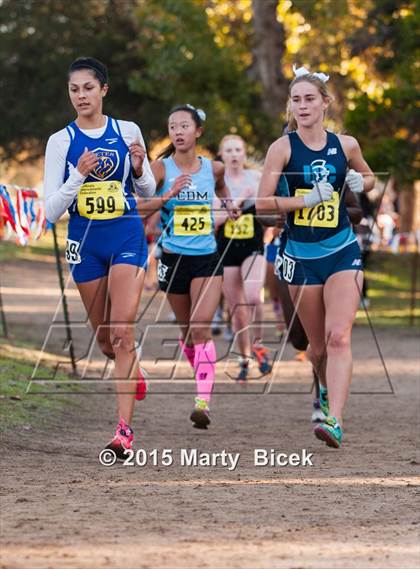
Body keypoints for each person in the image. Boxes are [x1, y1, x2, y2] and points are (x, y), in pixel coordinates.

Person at [44, 57, 156, 458]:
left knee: (122, 331)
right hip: (85, 244)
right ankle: (133, 366)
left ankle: (124, 430)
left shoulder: (127, 131)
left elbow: (146, 191)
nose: (81, 96)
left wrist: (140, 168)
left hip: (126, 235)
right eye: (74, 89)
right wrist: (77, 174)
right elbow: (50, 211)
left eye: (88, 88)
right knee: (108, 342)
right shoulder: (61, 141)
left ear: (103, 90)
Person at [257, 65, 374, 448]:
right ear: (290, 106)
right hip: (301, 256)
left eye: (310, 99)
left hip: (341, 251)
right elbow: (261, 204)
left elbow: (368, 177)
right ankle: (322, 390)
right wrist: (302, 201)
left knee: (339, 337)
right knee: (318, 346)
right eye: (296, 100)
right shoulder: (283, 147)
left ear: (325, 103)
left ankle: (335, 421)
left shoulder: (347, 145)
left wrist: (361, 181)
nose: (303, 105)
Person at [138, 104, 238, 428]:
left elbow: (222, 189)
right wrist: (169, 195)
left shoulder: (214, 168)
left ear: (198, 131)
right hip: (172, 257)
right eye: (172, 127)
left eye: (184, 126)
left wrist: (229, 204)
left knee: (200, 326)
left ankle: (203, 400)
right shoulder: (160, 168)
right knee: (186, 331)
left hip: (208, 257)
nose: (178, 132)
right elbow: (141, 207)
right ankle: (203, 375)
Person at [216, 135, 272, 381]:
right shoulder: (216, 183)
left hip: (253, 245)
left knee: (253, 297)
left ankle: (259, 345)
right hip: (225, 248)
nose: (235, 154)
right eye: (229, 150)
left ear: (244, 152)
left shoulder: (256, 179)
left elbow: (271, 209)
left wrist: (270, 232)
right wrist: (239, 199)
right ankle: (243, 356)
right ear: (222, 154)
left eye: (239, 149)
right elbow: (216, 219)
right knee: (237, 309)